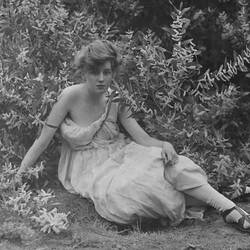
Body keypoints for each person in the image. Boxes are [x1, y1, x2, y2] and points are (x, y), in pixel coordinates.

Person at [16, 39, 250, 232]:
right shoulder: (69, 96)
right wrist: (19, 175)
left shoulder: (115, 96)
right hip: (89, 166)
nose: (101, 79)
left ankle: (229, 209)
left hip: (122, 151)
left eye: (106, 72)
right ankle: (225, 192)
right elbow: (42, 140)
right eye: (94, 72)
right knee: (131, 192)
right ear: (84, 72)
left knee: (169, 164)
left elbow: (142, 137)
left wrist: (164, 144)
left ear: (113, 72)